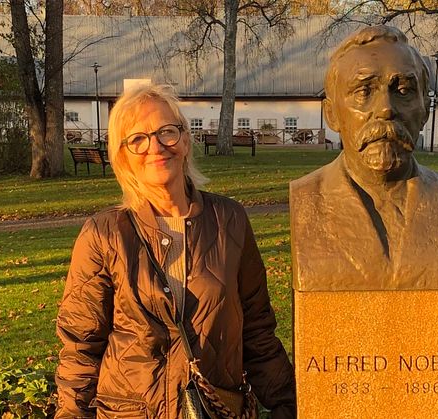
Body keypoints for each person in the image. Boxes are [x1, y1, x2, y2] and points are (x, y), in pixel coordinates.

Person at [55, 84, 296, 418]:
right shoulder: (104, 234)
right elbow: (81, 347)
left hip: (214, 407)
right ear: (123, 155)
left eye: (166, 132)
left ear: (184, 140)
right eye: (138, 138)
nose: (156, 146)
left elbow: (256, 329)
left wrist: (292, 402)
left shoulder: (229, 220)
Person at [290, 26, 438, 291]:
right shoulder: (306, 198)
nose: (386, 109)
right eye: (364, 92)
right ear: (331, 114)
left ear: (424, 111)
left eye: (403, 90)